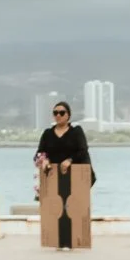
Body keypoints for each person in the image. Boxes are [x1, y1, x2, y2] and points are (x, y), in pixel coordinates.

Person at [34, 100, 93, 251]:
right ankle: (57, 240)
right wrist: (44, 160)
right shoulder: (47, 134)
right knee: (56, 207)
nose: (58, 115)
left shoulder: (76, 131)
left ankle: (74, 239)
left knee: (73, 207)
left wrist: (70, 160)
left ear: (68, 115)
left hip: (73, 176)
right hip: (54, 178)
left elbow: (82, 151)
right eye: (55, 113)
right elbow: (39, 153)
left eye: (61, 113)